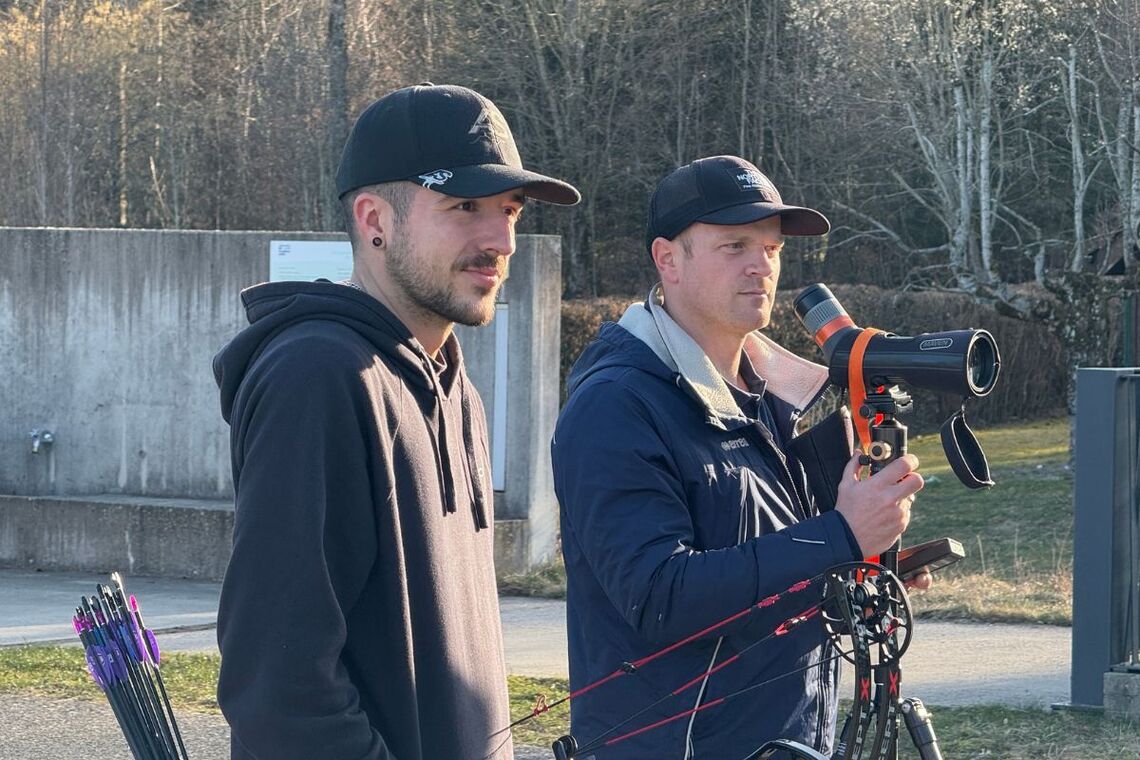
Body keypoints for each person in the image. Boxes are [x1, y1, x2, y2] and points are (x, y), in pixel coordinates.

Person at [212, 83, 579, 760]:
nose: (500, 239)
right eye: (464, 206)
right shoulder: (318, 377)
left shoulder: (451, 383)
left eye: (510, 210)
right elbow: (280, 691)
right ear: (375, 220)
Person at [551, 155, 924, 758]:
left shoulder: (772, 397)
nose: (761, 267)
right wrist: (839, 536)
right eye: (735, 246)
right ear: (667, 260)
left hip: (789, 741)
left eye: (772, 249)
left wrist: (861, 565)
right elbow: (660, 596)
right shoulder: (615, 405)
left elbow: (767, 571)